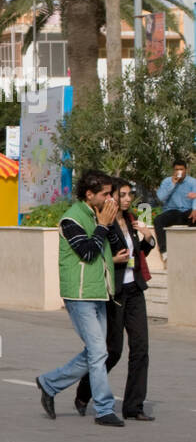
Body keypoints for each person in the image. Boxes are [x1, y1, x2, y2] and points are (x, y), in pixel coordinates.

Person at [36, 170, 126, 427]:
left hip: (99, 291)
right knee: (99, 352)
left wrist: (109, 223)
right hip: (79, 293)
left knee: (98, 352)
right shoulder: (71, 219)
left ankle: (49, 383)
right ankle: (104, 409)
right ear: (89, 194)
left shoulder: (102, 216)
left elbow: (119, 246)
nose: (110, 199)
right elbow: (87, 253)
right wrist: (102, 226)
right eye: (106, 194)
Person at [73, 178, 154, 422]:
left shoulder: (130, 221)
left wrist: (148, 239)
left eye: (131, 194)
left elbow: (137, 254)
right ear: (112, 197)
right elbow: (96, 254)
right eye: (124, 194)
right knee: (113, 350)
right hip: (115, 291)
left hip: (135, 289)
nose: (129, 199)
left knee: (141, 348)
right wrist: (113, 260)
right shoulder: (104, 223)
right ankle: (84, 391)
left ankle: (133, 406)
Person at [153, 159, 196, 261]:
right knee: (158, 220)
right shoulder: (167, 181)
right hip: (172, 212)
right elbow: (160, 198)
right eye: (176, 169)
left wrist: (195, 209)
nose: (179, 171)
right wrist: (173, 184)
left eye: (181, 169)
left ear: (186, 170)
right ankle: (164, 251)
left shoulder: (193, 182)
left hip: (187, 212)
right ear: (173, 170)